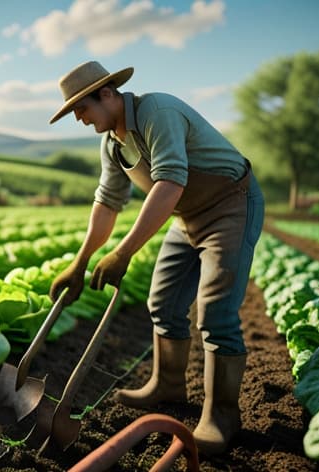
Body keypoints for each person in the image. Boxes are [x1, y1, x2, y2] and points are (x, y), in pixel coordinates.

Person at [47, 61, 264, 455]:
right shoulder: (112, 143)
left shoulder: (156, 113)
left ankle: (222, 417)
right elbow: (108, 204)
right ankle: (167, 385)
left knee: (215, 312)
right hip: (187, 215)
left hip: (231, 204)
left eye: (82, 107)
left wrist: (123, 252)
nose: (79, 117)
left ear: (108, 94)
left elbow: (169, 182)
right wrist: (79, 263)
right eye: (73, 111)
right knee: (162, 302)